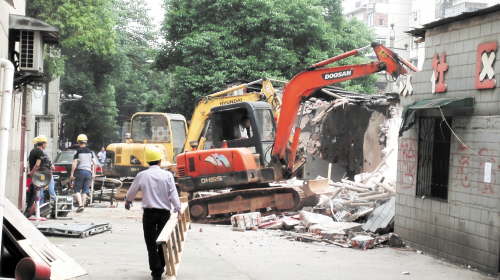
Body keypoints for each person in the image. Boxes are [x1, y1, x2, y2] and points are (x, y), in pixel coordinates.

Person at [124, 146, 181, 280]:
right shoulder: (167, 175)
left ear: (147, 161)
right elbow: (173, 194)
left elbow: (131, 192)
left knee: (151, 244)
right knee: (163, 243)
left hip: (149, 214)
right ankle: (161, 266)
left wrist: (128, 202)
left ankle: (156, 273)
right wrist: (178, 210)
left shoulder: (142, 175)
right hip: (164, 215)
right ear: (160, 161)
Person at [70, 134, 97, 213]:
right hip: (88, 172)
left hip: (80, 171)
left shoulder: (77, 151)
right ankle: (83, 206)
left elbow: (74, 164)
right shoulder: (90, 151)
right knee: (85, 190)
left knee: (77, 189)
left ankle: (80, 205)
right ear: (86, 142)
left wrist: (72, 174)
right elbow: (95, 163)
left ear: (78, 142)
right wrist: (94, 173)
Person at [25, 135, 50, 217]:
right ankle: (38, 212)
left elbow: (29, 163)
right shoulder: (40, 152)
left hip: (34, 176)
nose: (46, 145)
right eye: (45, 143)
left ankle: (29, 209)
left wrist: (30, 172)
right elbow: (38, 164)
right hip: (38, 176)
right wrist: (32, 172)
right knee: (39, 194)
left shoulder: (32, 151)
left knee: (32, 193)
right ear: (43, 144)